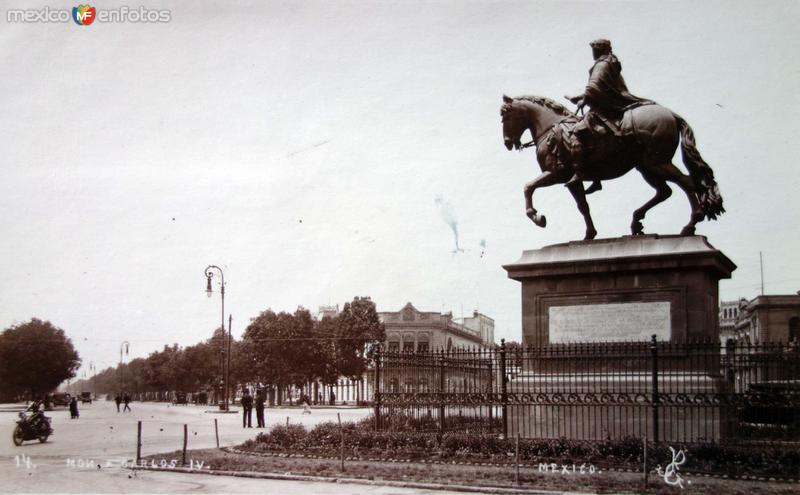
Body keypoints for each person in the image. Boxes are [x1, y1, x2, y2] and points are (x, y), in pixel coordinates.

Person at [565, 39, 652, 188]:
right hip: (611, 102)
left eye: (594, 49)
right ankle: (596, 177)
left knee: (576, 132)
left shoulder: (602, 64)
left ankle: (580, 173)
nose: (593, 52)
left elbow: (594, 85)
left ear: (600, 50)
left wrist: (584, 100)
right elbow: (601, 86)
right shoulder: (610, 62)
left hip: (606, 107)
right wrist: (580, 96)